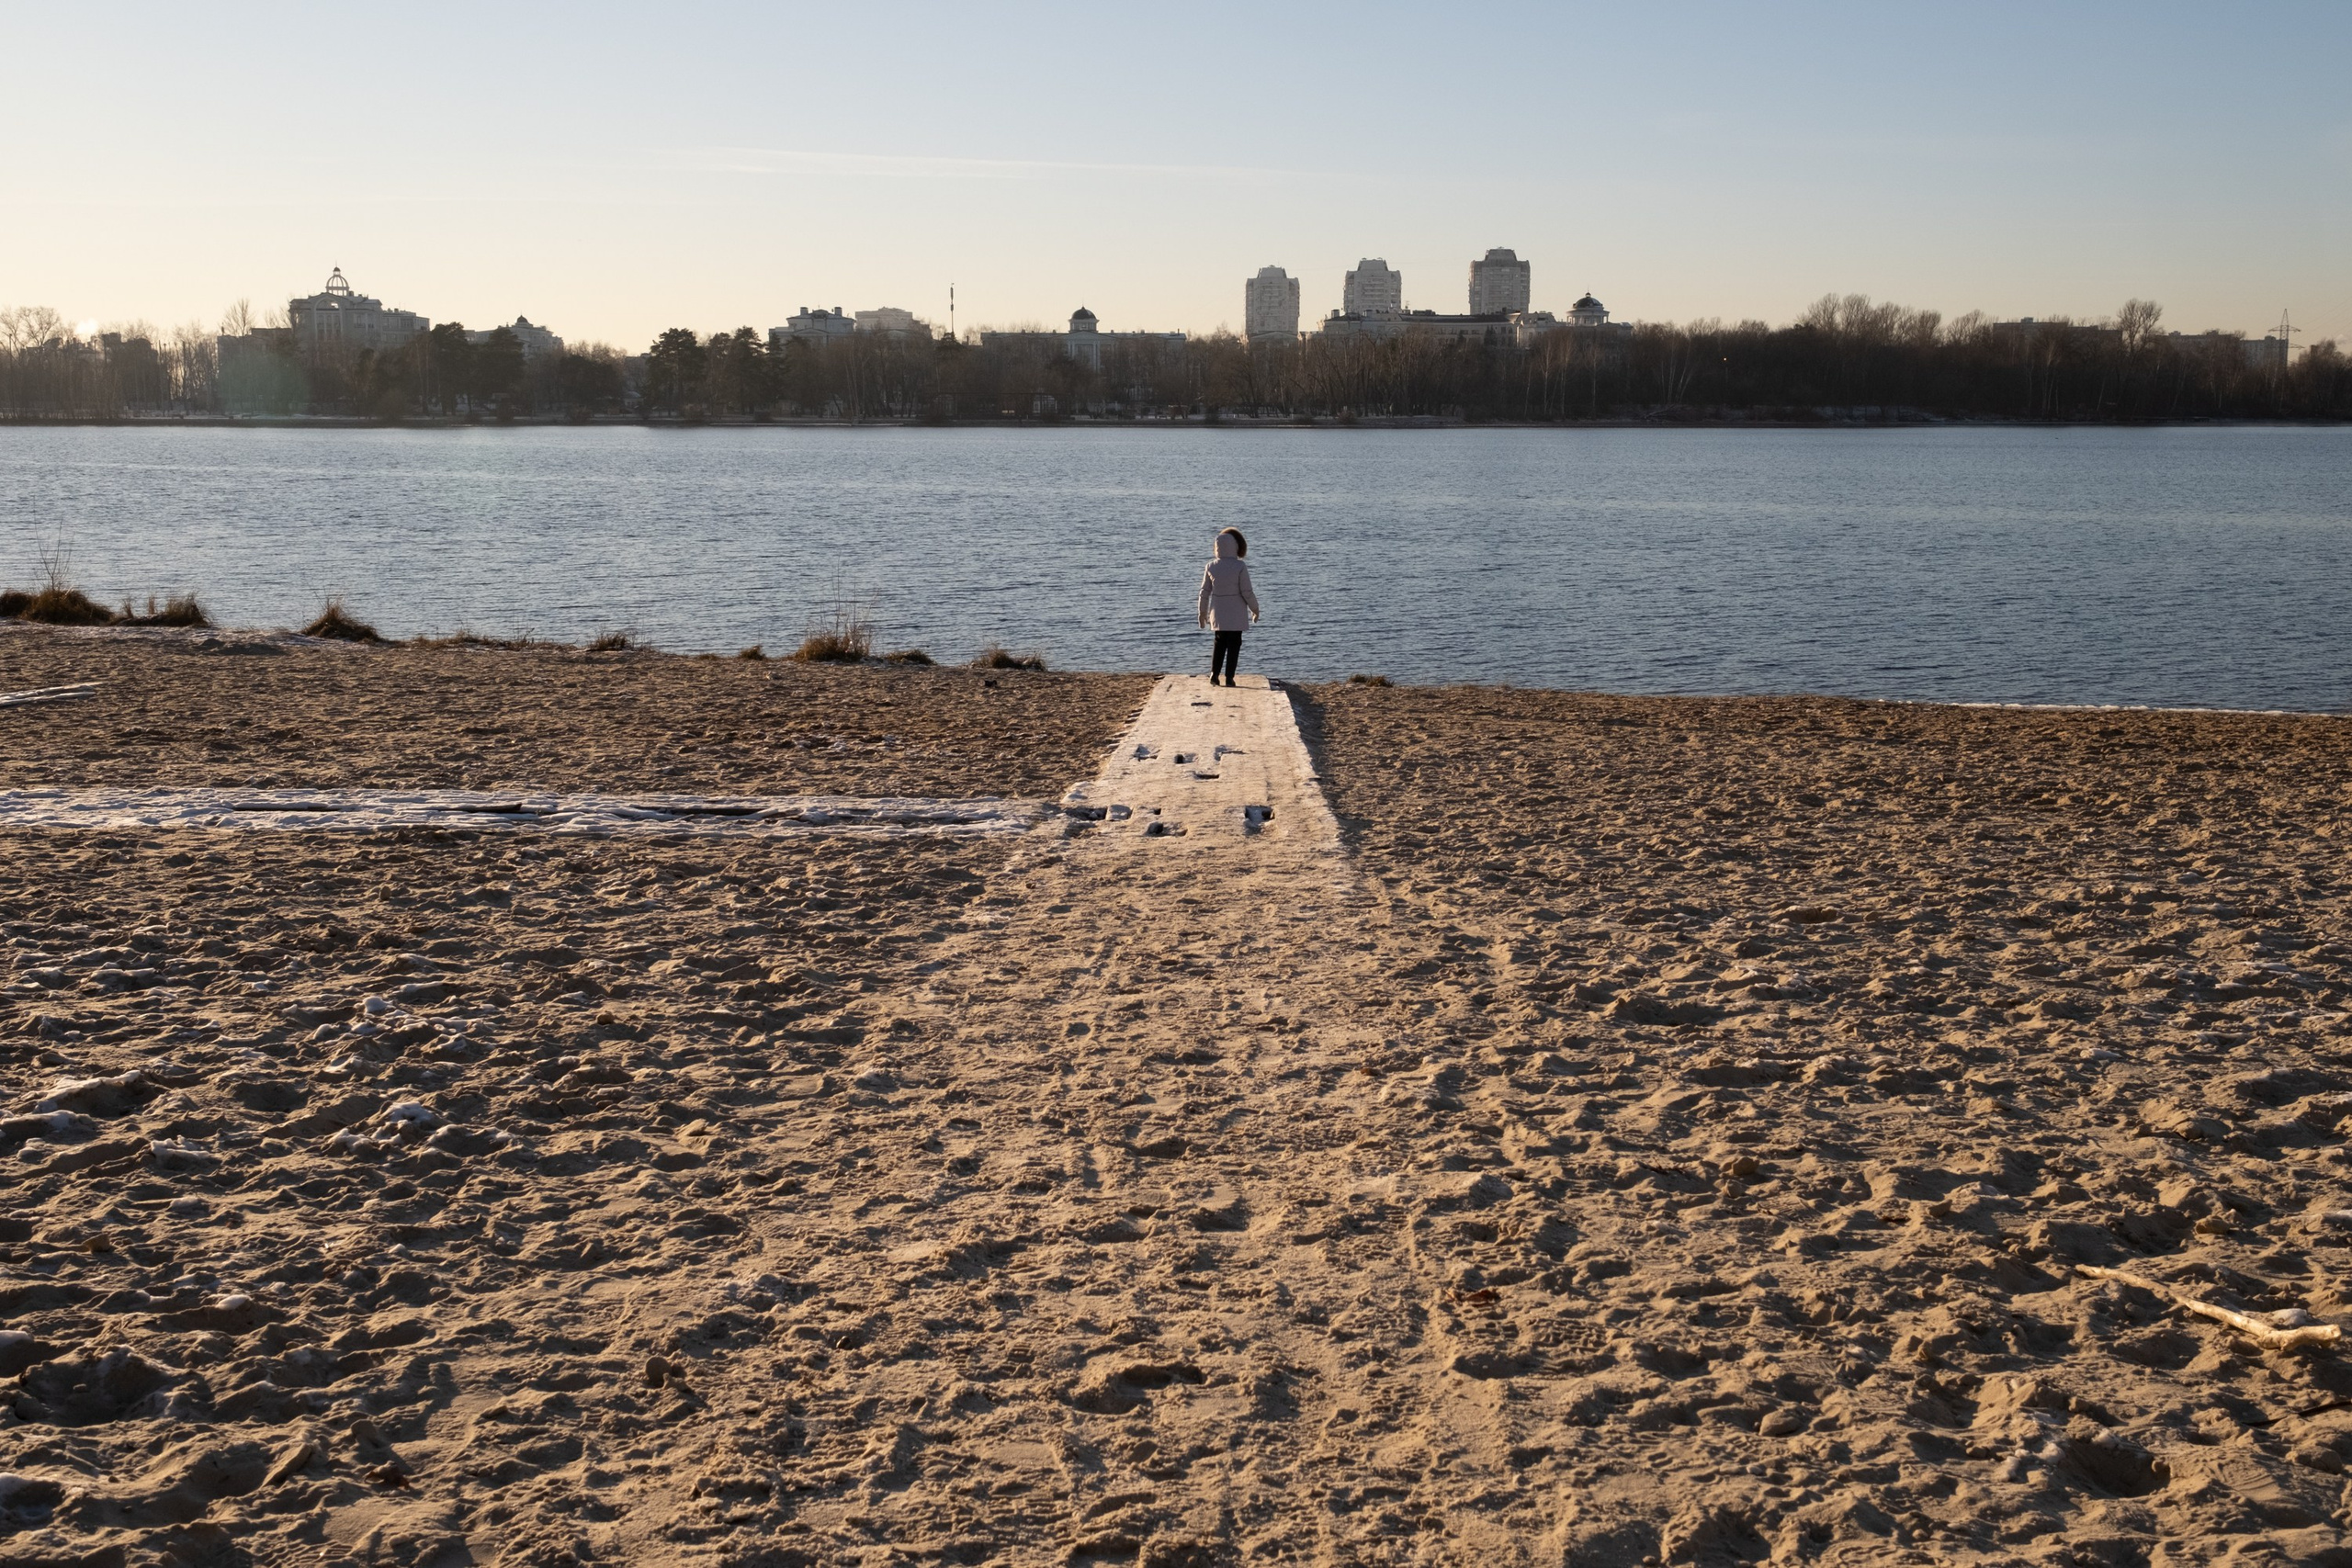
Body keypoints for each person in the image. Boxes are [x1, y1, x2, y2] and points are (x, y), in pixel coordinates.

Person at [1195, 527, 1260, 687]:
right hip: (1236, 612)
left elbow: (1204, 592)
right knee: (1234, 644)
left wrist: (1202, 612)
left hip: (1218, 612)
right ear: (1236, 546)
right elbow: (1247, 591)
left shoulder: (1211, 566)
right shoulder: (1240, 566)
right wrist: (1255, 609)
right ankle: (1229, 677)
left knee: (1219, 642)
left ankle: (1214, 674)